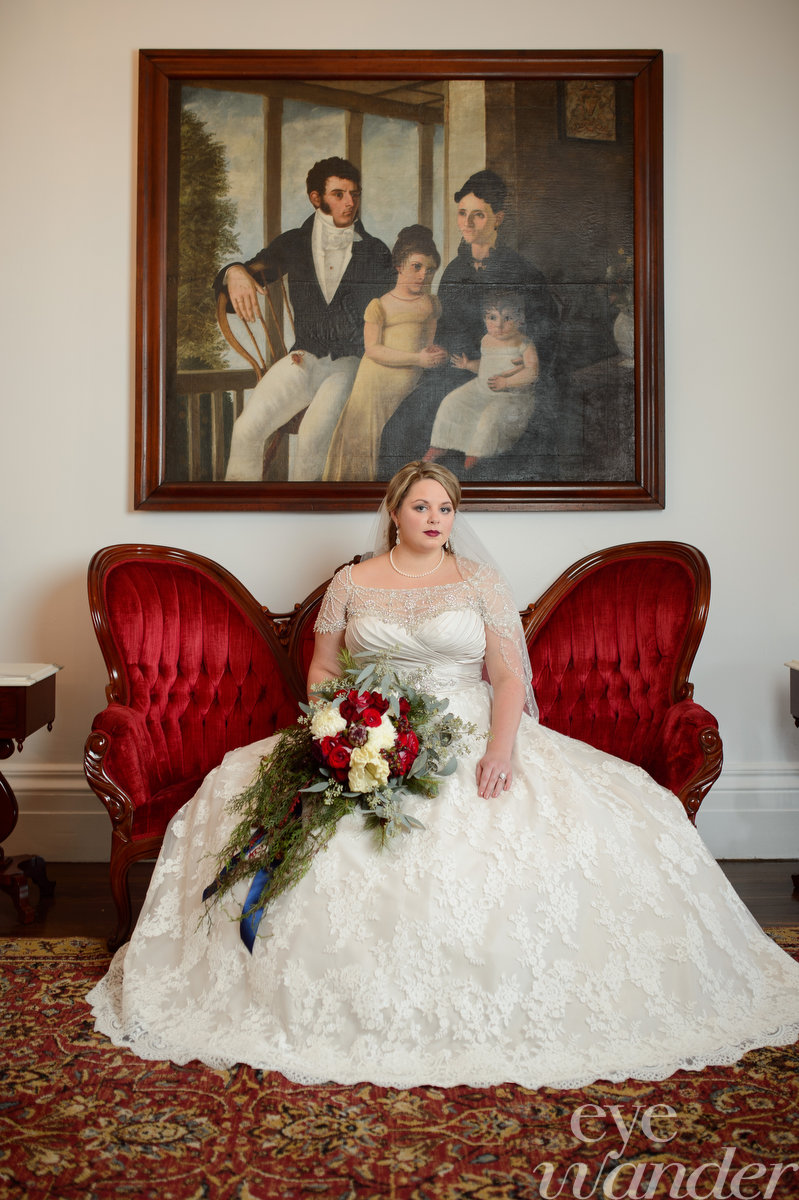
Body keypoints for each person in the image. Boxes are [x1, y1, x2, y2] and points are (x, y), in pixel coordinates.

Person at [87, 463, 799, 1088]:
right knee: (261, 810)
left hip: (467, 731)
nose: (434, 519)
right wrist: (340, 728)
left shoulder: (480, 582)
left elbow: (506, 674)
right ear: (394, 511)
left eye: (446, 508)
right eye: (422, 506)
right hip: (370, 727)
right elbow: (324, 666)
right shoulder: (351, 582)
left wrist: (500, 749)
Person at [215, 157, 393, 481]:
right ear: (316, 198)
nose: (350, 202)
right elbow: (251, 273)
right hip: (304, 358)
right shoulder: (294, 243)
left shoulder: (376, 252)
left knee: (312, 439)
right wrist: (233, 271)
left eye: (354, 193)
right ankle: (236, 515)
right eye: (339, 194)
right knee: (245, 430)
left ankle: (301, 519)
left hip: (350, 365)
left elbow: (391, 315)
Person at [378, 170, 557, 477]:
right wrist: (438, 350)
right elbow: (447, 328)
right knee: (402, 426)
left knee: (481, 435)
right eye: (462, 214)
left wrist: (513, 361)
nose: (467, 224)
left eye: (478, 216)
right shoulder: (454, 270)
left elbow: (544, 332)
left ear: (498, 218)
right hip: (457, 369)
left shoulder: (523, 272)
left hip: (502, 373)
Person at [323, 226, 447, 482]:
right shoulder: (381, 305)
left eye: (430, 269)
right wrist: (417, 358)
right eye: (416, 266)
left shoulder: (431, 304)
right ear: (400, 265)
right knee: (368, 442)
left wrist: (434, 354)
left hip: (410, 385)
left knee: (399, 440)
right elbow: (373, 350)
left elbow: (427, 343)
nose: (423, 275)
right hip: (375, 386)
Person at [424, 292, 539, 470]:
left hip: (511, 397)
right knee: (451, 402)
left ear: (520, 319)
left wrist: (507, 383)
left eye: (507, 318)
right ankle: (439, 445)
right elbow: (487, 366)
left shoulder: (523, 344)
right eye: (492, 318)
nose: (499, 325)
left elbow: (532, 372)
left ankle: (475, 454)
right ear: (485, 319)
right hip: (481, 389)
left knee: (489, 417)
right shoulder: (487, 339)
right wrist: (469, 364)